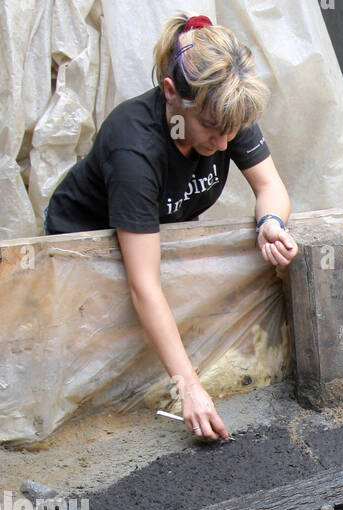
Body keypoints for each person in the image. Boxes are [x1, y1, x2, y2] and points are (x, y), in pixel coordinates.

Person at [45, 13, 299, 441]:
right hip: (81, 250)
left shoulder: (223, 110)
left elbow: (271, 185)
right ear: (171, 94)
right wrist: (189, 387)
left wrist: (270, 222)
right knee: (95, 372)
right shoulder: (135, 148)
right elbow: (143, 286)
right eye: (213, 131)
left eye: (231, 131)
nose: (223, 143)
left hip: (154, 236)